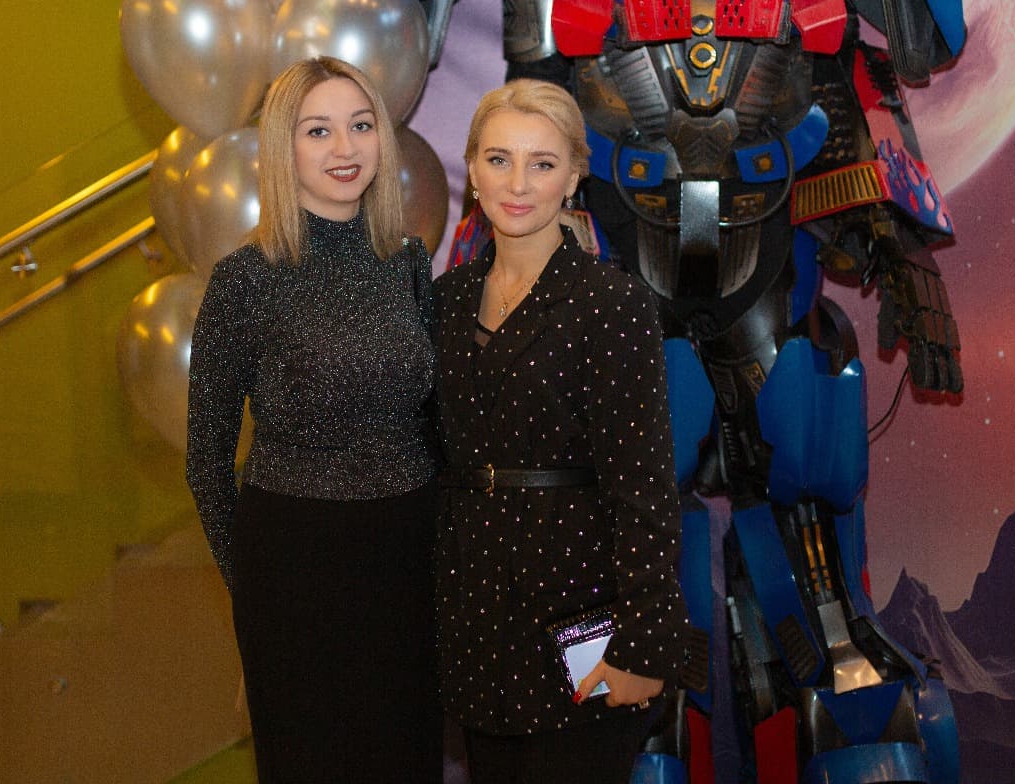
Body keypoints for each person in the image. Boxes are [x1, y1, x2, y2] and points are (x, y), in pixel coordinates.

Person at [185, 57, 441, 783]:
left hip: (408, 556)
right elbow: (206, 460)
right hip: (294, 566)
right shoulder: (245, 279)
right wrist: (251, 588)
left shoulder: (409, 263)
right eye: (318, 130)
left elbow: (433, 425)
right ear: (283, 146)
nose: (345, 148)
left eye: (361, 126)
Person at [433, 78, 685, 783]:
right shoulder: (444, 301)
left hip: (584, 625)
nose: (518, 184)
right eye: (499, 159)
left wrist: (642, 644)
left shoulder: (611, 301)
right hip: (477, 627)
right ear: (473, 169)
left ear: (574, 176)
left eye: (542, 163)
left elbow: (644, 486)